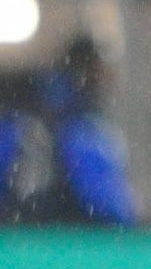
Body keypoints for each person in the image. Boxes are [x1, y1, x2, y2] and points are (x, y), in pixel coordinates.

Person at [0, 36, 138, 226]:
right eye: (100, 68)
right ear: (87, 68)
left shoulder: (23, 111)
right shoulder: (79, 124)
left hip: (16, 233)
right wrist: (127, 225)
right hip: (68, 234)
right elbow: (101, 194)